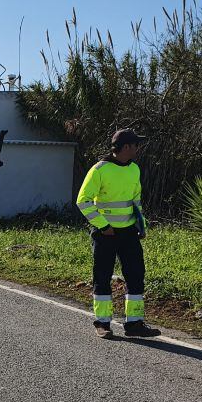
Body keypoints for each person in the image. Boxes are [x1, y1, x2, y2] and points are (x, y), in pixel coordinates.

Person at [75, 128, 160, 339]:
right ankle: (102, 323)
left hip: (129, 233)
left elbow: (136, 201)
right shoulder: (99, 169)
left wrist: (141, 225)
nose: (138, 149)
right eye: (136, 145)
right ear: (126, 147)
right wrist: (104, 226)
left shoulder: (134, 169)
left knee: (136, 275)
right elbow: (83, 201)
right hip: (105, 234)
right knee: (102, 276)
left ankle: (134, 324)